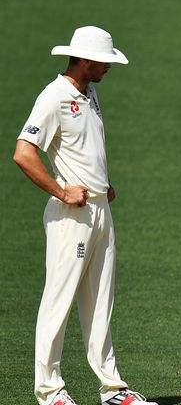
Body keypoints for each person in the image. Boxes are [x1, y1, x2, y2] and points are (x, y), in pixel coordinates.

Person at [13, 26, 156, 405]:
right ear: (87, 60)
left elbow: (84, 147)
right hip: (71, 214)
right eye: (104, 62)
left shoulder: (89, 93)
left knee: (100, 302)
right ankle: (49, 391)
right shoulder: (55, 96)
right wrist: (62, 190)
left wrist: (103, 182)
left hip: (100, 210)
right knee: (58, 300)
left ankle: (112, 388)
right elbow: (23, 152)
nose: (108, 68)